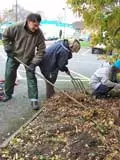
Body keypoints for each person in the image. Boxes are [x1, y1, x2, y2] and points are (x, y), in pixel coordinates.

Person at [2, 13, 46, 110]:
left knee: (31, 77)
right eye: (35, 25)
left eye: (38, 25)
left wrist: (34, 63)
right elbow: (5, 36)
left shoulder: (39, 33)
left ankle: (34, 99)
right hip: (14, 55)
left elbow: (41, 50)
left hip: (29, 58)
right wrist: (8, 48)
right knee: (9, 74)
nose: (37, 27)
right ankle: (8, 94)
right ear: (29, 21)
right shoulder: (16, 27)